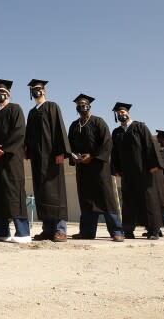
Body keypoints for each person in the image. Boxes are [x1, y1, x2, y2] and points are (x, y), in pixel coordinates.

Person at [67, 94, 124, 242]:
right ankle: (87, 232)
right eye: (79, 104)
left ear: (89, 106)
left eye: (84, 104)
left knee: (105, 198)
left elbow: (107, 143)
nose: (82, 106)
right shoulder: (74, 125)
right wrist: (73, 157)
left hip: (98, 167)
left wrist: (92, 157)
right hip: (82, 169)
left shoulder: (98, 122)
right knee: (86, 200)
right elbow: (69, 145)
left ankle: (116, 231)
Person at [0, 79, 30, 243]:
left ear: (9, 93)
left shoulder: (16, 109)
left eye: (3, 91)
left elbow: (19, 132)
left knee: (14, 192)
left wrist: (3, 149)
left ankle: (23, 233)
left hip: (11, 159)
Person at [24, 80, 69, 242]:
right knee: (42, 193)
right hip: (37, 159)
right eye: (34, 90)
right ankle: (47, 229)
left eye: (39, 89)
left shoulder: (52, 106)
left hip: (52, 157)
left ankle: (60, 229)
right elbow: (28, 134)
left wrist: (60, 151)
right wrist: (26, 150)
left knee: (56, 193)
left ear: (44, 91)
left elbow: (59, 129)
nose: (37, 91)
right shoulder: (31, 112)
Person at [110, 102, 163, 240]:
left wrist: (153, 164)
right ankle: (128, 230)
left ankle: (153, 230)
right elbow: (114, 152)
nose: (121, 114)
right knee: (128, 200)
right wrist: (116, 169)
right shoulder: (116, 132)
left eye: (123, 111)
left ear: (128, 113)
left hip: (144, 170)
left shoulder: (140, 126)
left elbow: (150, 145)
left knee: (148, 199)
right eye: (119, 112)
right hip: (127, 172)